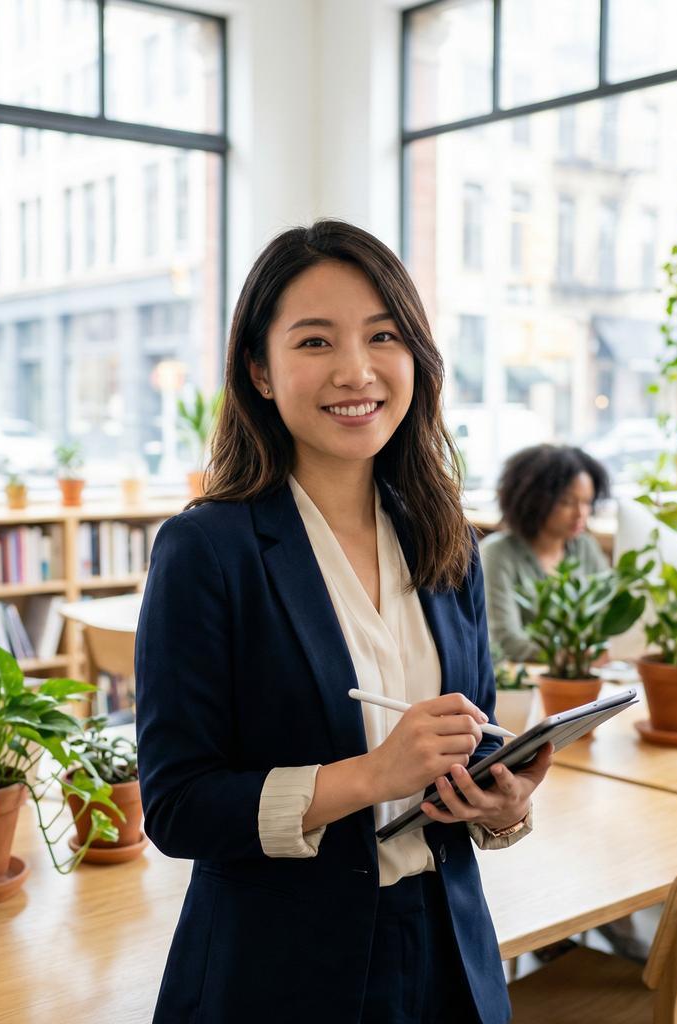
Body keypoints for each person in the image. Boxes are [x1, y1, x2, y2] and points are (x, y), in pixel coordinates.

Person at [135, 221, 552, 1024]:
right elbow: (179, 808)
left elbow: (475, 737)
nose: (356, 371)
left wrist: (502, 806)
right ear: (260, 369)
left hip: (447, 952)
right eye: (316, 341)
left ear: (416, 356)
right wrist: (368, 777)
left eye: (383, 335)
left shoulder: (450, 539)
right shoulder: (206, 551)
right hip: (278, 972)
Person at [480, 444, 610, 664]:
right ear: (535, 499)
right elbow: (506, 640)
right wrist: (569, 658)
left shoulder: (585, 547)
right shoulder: (497, 553)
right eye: (567, 502)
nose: (581, 513)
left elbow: (609, 616)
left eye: (587, 502)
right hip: (526, 683)